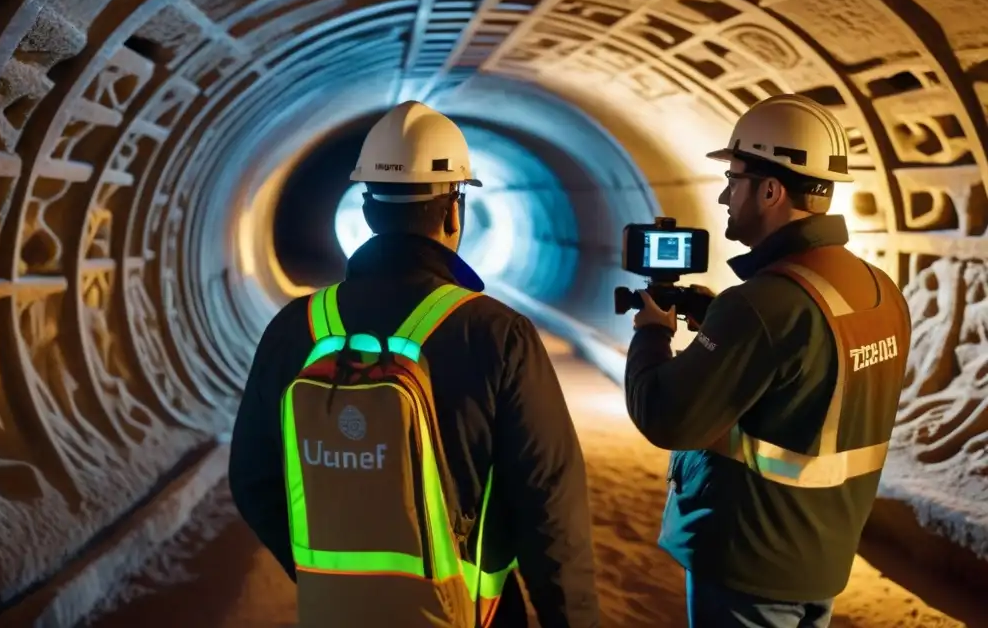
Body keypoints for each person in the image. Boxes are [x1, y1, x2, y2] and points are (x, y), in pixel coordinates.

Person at [229, 100, 600, 628]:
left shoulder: (297, 326)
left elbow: (252, 478)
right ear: (454, 211)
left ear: (366, 208)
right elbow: (550, 509)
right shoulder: (496, 333)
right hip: (470, 616)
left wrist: (329, 579)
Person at [624, 93, 911, 628]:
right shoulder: (879, 289)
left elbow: (665, 415)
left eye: (735, 179)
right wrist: (725, 330)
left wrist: (651, 334)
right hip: (821, 557)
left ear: (772, 190)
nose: (727, 195)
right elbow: (808, 379)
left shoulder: (761, 303)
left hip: (748, 557)